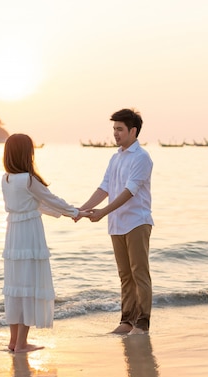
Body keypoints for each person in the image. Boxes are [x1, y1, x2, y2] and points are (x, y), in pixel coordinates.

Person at [2, 133, 88, 352]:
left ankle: (14, 342)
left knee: (16, 287)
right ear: (27, 154)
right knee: (29, 285)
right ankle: (21, 343)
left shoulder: (7, 178)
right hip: (30, 235)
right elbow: (50, 199)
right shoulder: (29, 180)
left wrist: (69, 213)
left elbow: (37, 204)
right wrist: (75, 212)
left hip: (13, 237)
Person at [77, 109, 154, 335]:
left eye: (120, 129)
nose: (116, 134)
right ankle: (127, 321)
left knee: (139, 273)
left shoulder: (142, 157)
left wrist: (102, 212)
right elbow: (105, 188)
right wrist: (81, 210)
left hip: (137, 222)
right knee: (125, 276)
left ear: (133, 130)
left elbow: (130, 191)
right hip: (117, 224)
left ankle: (142, 323)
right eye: (114, 129)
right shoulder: (115, 157)